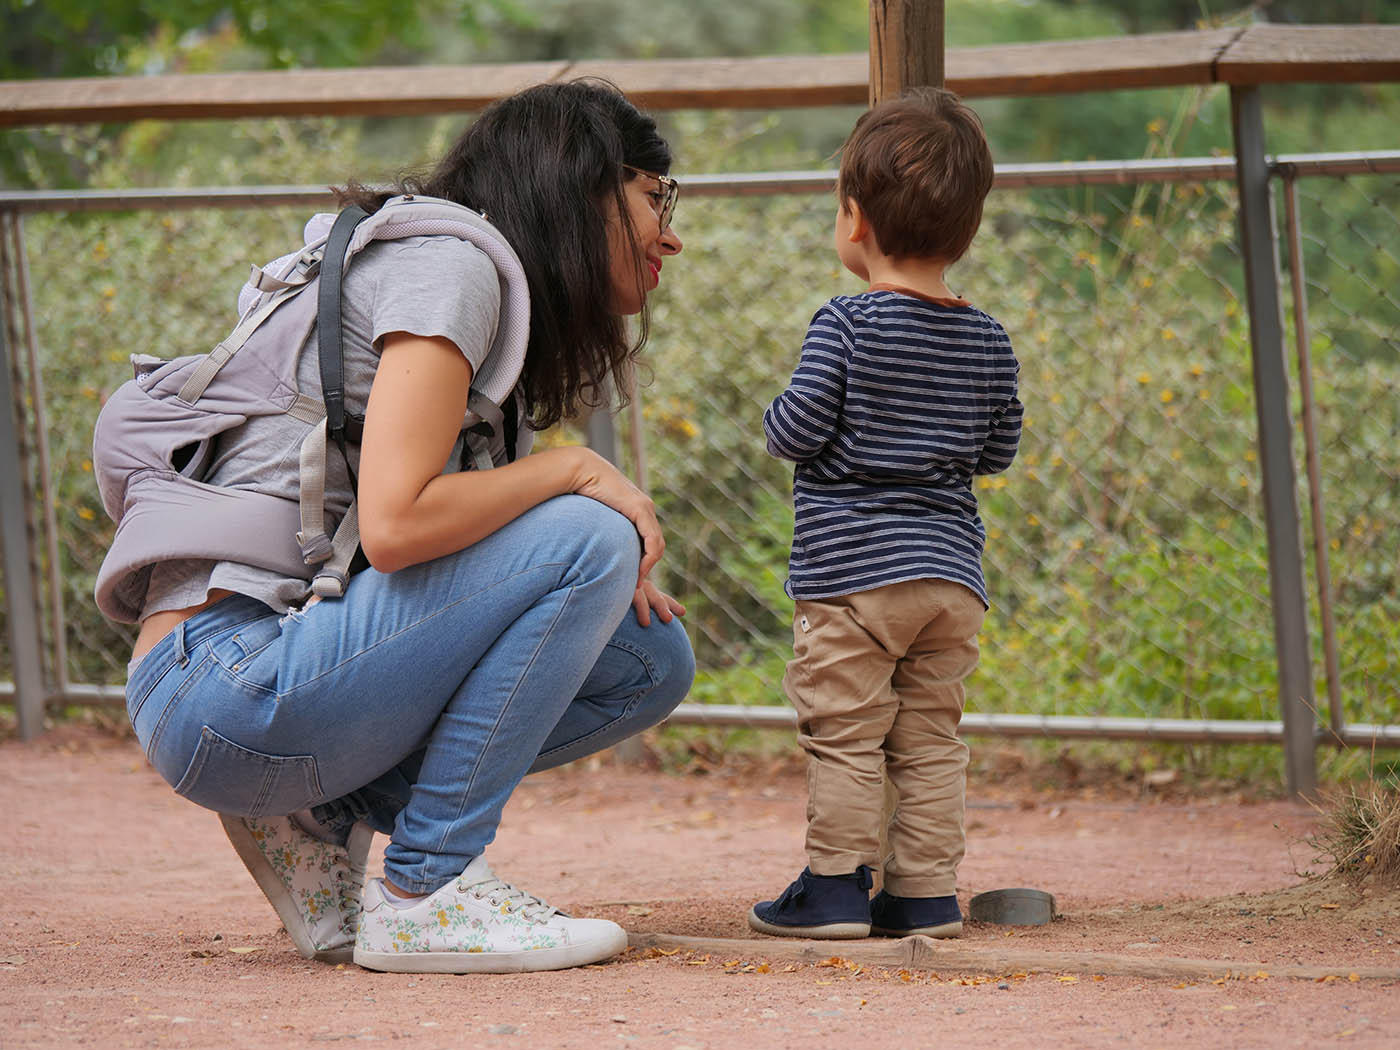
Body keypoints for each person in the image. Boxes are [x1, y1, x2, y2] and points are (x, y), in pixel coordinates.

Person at [113, 79, 695, 974]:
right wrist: (575, 473)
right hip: (225, 678)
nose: (671, 229)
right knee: (588, 535)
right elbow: (396, 523)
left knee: (649, 658)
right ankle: (429, 891)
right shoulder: (452, 264)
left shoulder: (460, 276)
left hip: (259, 677)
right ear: (583, 185)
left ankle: (318, 815)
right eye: (657, 195)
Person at [748, 87, 1022, 940]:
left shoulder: (846, 324)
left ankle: (833, 887)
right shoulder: (989, 338)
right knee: (932, 737)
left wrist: (774, 416)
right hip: (950, 577)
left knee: (847, 732)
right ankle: (925, 894)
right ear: (968, 229)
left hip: (852, 578)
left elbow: (794, 432)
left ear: (854, 219)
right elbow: (996, 452)